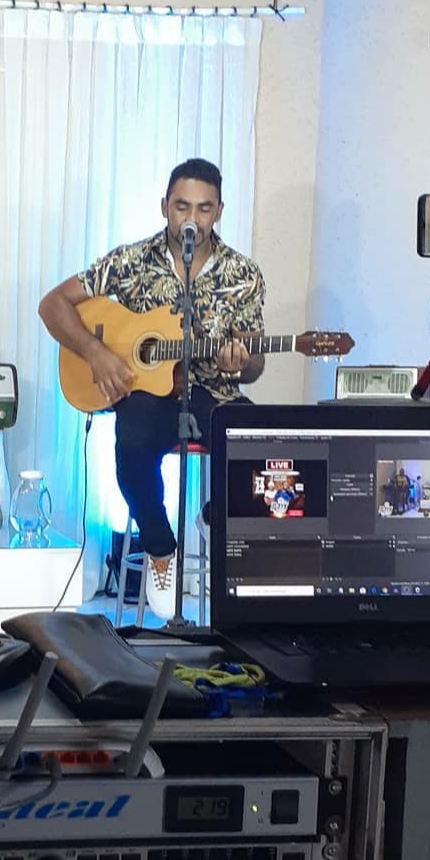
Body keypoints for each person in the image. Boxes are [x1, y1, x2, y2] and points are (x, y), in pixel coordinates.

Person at [38, 158, 264, 618]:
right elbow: (52, 305)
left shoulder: (243, 275)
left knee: (258, 444)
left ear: (219, 211)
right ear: (165, 206)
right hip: (147, 393)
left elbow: (255, 364)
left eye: (204, 208)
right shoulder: (131, 261)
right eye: (182, 206)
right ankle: (161, 548)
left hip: (213, 391)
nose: (192, 219)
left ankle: (213, 518)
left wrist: (241, 363)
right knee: (133, 443)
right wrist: (96, 353)